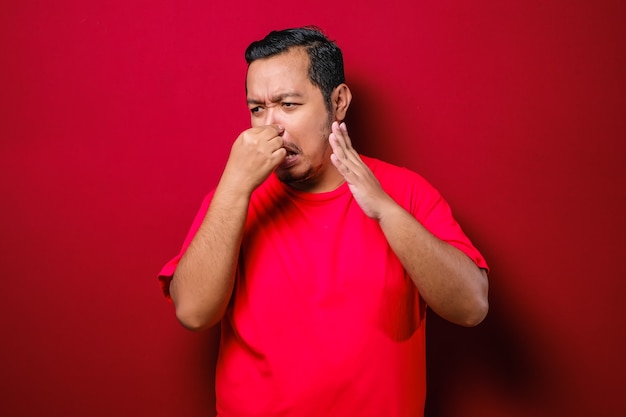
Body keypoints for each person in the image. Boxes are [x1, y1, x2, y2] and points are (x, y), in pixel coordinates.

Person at [158, 26, 489, 416]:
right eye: (257, 108)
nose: (270, 127)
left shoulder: (406, 191)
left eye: (289, 105)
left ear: (339, 101)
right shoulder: (231, 201)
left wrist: (386, 211)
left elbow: (471, 307)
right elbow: (193, 313)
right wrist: (233, 188)